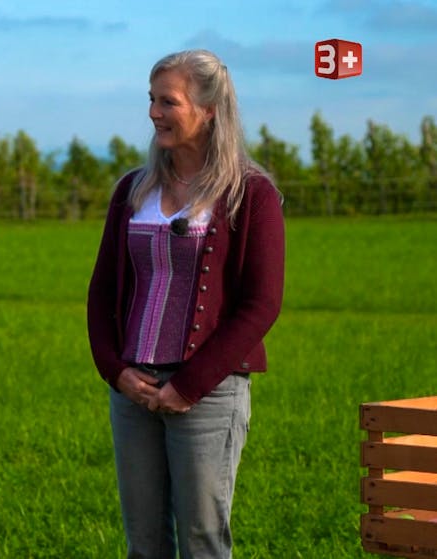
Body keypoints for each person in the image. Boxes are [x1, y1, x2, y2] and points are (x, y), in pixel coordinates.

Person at [86, 50, 285, 558]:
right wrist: (115, 370)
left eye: (167, 102)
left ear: (210, 109)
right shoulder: (133, 190)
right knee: (145, 544)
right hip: (133, 389)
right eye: (151, 101)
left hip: (209, 392)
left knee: (202, 541)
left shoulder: (250, 194)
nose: (154, 113)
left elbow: (262, 304)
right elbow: (103, 291)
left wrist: (190, 386)